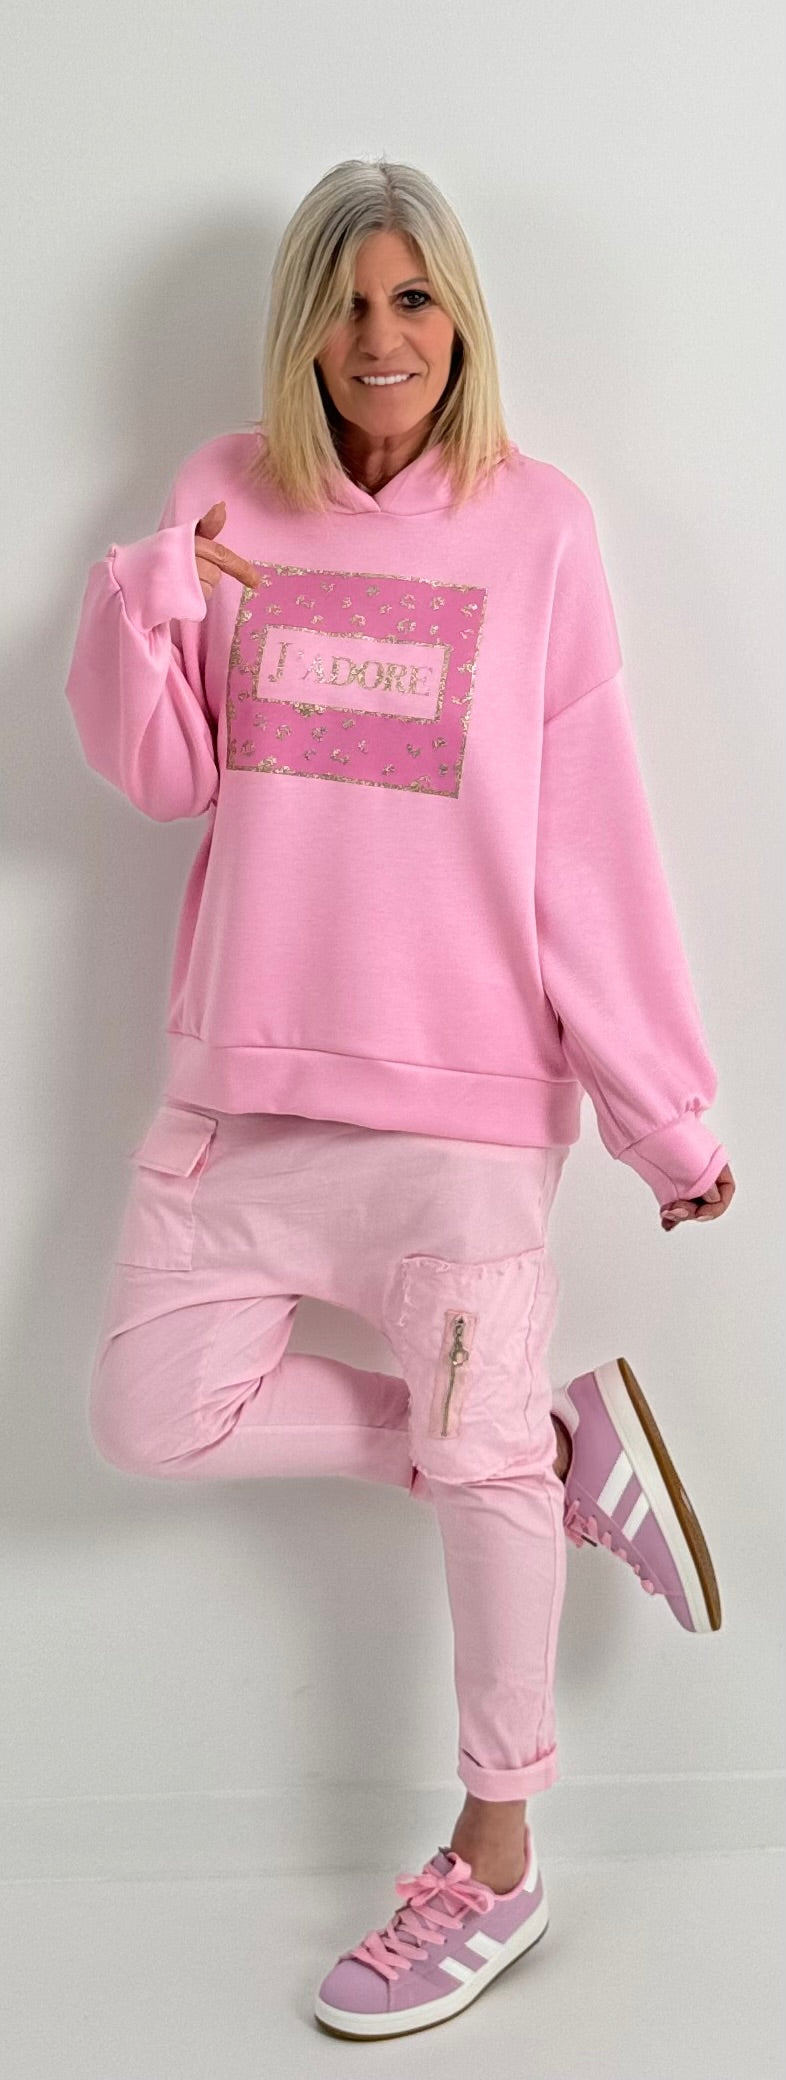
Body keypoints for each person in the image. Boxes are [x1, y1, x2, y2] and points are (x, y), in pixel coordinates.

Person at [63, 156, 735, 2041]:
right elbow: (160, 775)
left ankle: (494, 1863)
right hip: (243, 1093)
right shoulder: (222, 495)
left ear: (459, 319)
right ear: (304, 326)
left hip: (460, 1115)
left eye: (415, 298)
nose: (383, 338)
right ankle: (541, 1441)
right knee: (147, 1413)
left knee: (474, 1479)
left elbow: (586, 847)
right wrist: (142, 598)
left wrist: (663, 1111)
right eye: (350, 302)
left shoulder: (539, 527)